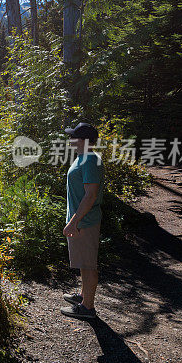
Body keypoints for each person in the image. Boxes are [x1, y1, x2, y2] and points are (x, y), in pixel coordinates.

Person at [60, 122, 104, 320]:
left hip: (84, 222)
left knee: (88, 265)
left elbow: (91, 195)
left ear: (84, 141)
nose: (70, 140)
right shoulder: (83, 158)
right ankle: (83, 296)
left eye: (74, 137)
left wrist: (74, 221)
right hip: (80, 220)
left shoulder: (90, 160)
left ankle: (88, 308)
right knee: (83, 262)